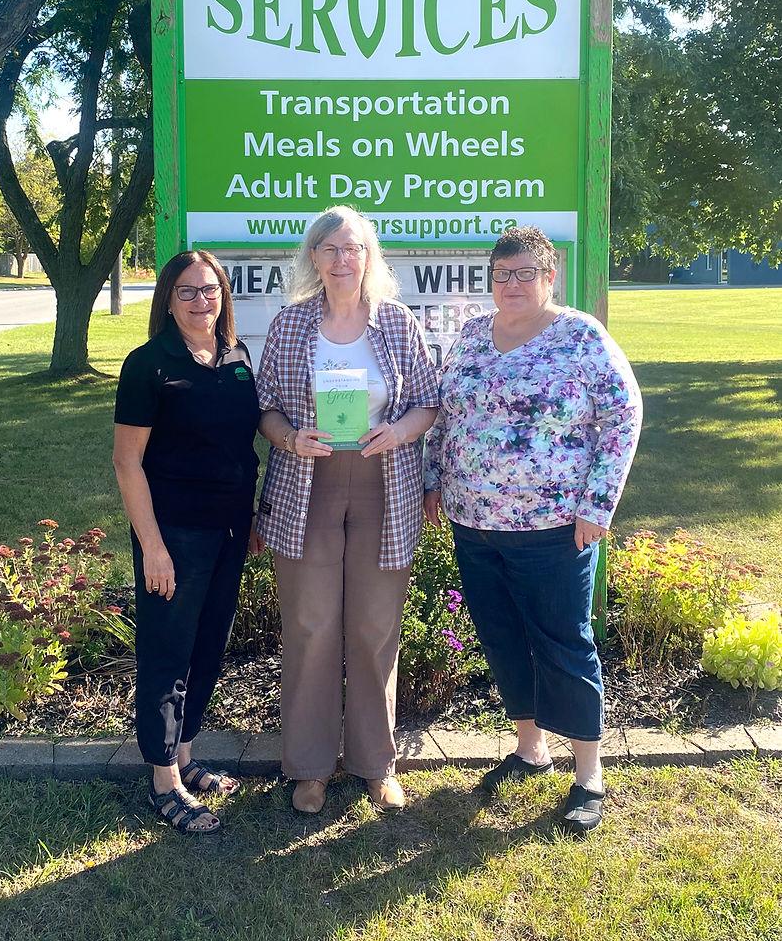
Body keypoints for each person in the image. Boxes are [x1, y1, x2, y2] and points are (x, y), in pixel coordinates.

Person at [424, 226, 642, 835]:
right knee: (500, 636)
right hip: (473, 522)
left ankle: (588, 774)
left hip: (552, 526)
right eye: (502, 274)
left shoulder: (580, 336)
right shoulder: (471, 334)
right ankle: (530, 748)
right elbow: (446, 413)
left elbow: (622, 417)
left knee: (563, 643)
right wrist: (434, 479)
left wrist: (598, 506)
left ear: (550, 278)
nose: (512, 284)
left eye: (525, 273)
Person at [256, 206, 438, 814]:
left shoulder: (397, 324)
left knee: (373, 627)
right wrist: (289, 438)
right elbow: (267, 407)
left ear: (368, 257)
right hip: (309, 484)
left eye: (352, 248)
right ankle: (308, 766)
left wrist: (400, 433)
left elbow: (425, 403)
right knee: (309, 626)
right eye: (330, 249)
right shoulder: (289, 326)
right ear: (314, 258)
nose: (342, 259)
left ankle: (374, 763)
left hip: (385, 486)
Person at [113, 250, 259, 834]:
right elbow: (127, 463)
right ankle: (163, 779)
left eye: (211, 290)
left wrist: (247, 521)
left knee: (208, 647)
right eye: (187, 292)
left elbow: (242, 445)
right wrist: (152, 546)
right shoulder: (148, 364)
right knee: (167, 652)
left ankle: (187, 755)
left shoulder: (237, 357)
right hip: (174, 534)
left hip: (228, 532)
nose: (202, 301)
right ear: (167, 300)